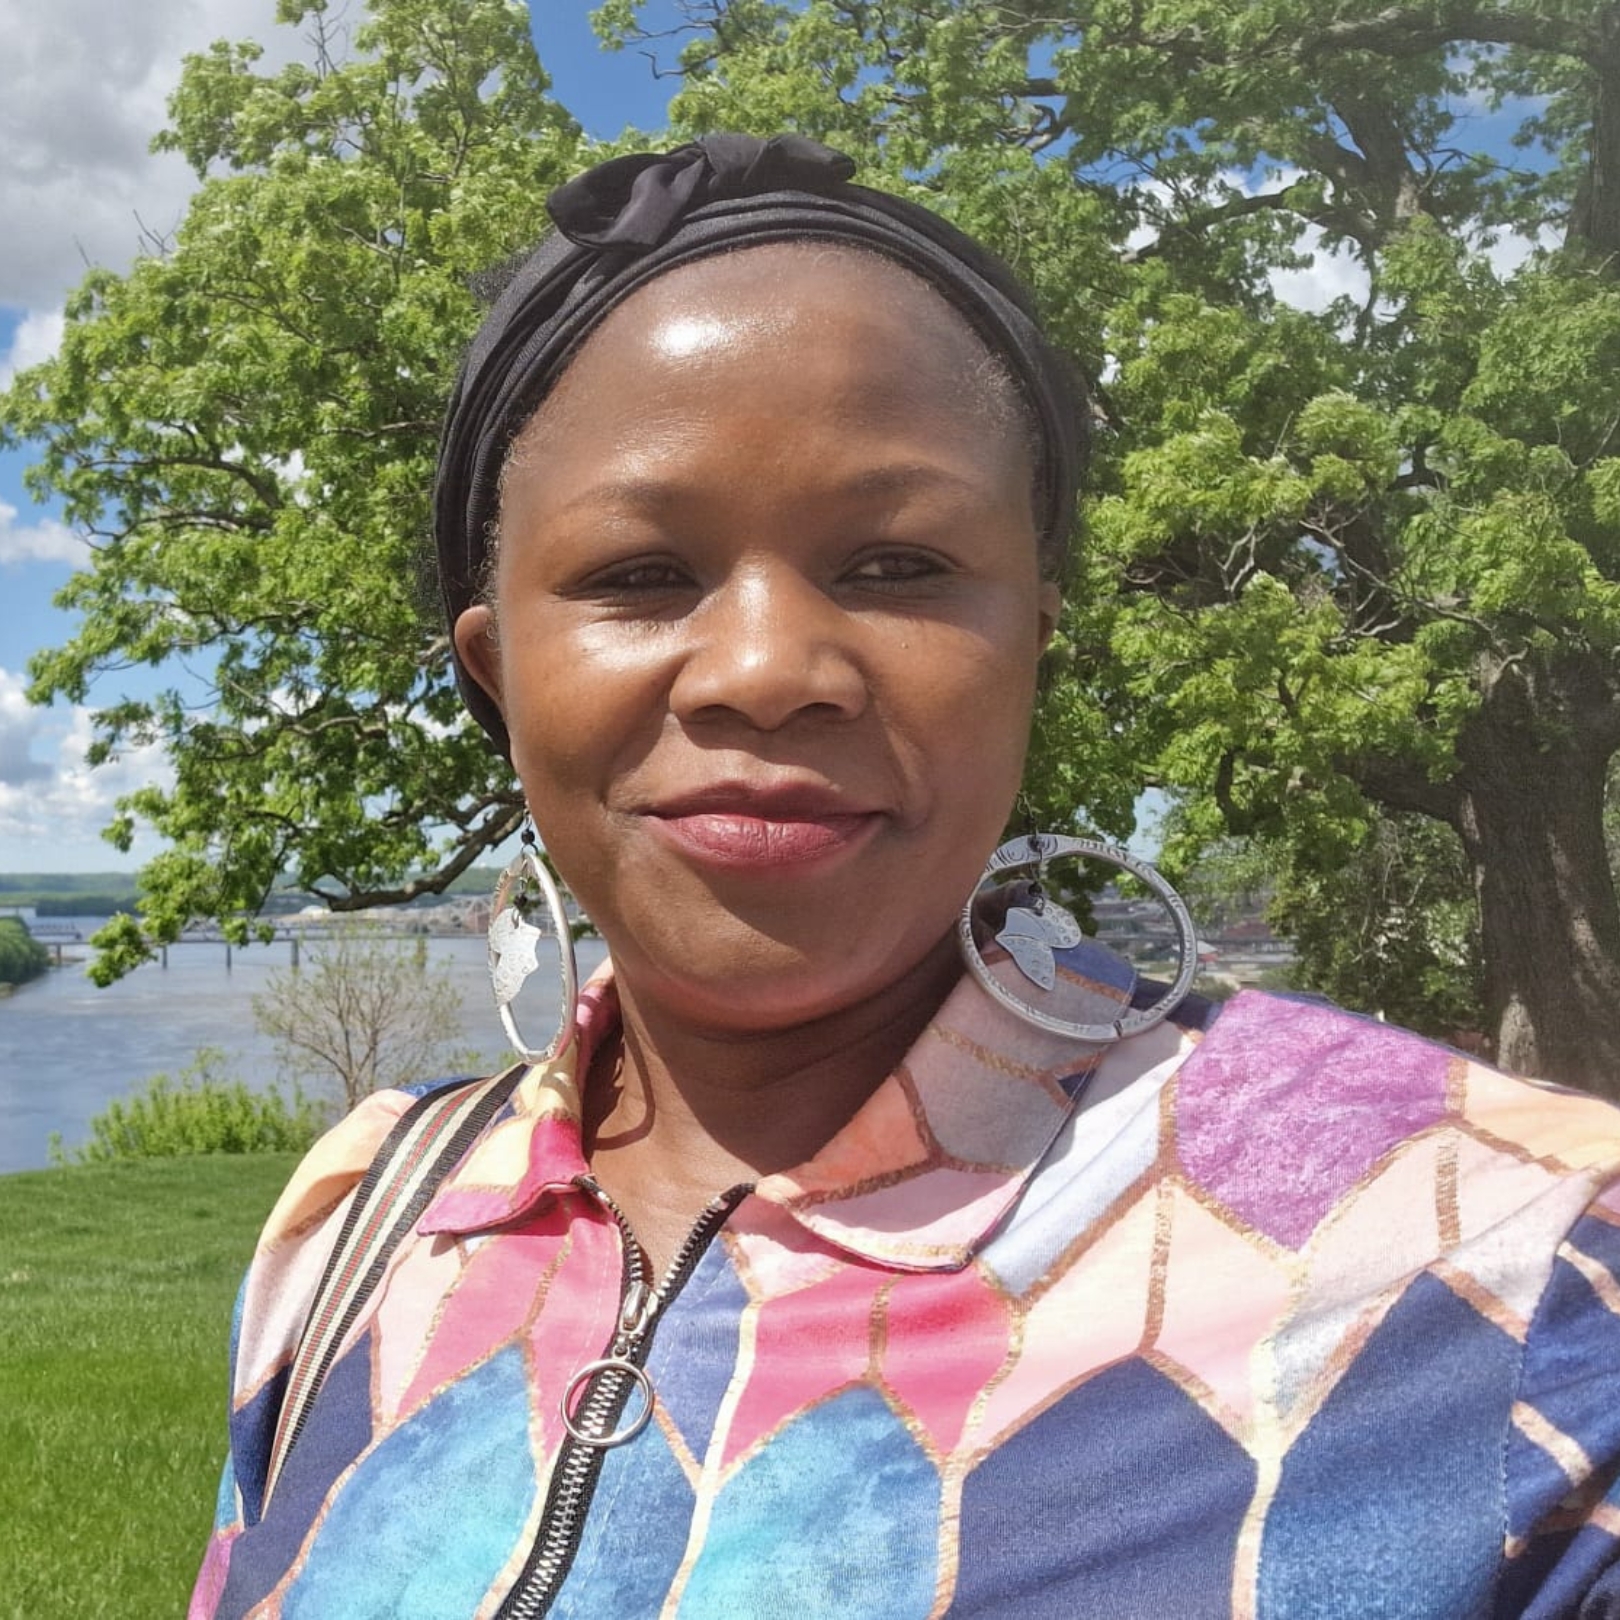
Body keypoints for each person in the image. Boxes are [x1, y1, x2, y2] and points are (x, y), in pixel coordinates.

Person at [190, 136, 1620, 1620]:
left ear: (1034, 643)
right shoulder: (367, 1208)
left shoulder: (1507, 1261)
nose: (764, 671)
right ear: (502, 673)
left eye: (896, 567)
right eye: (637, 574)